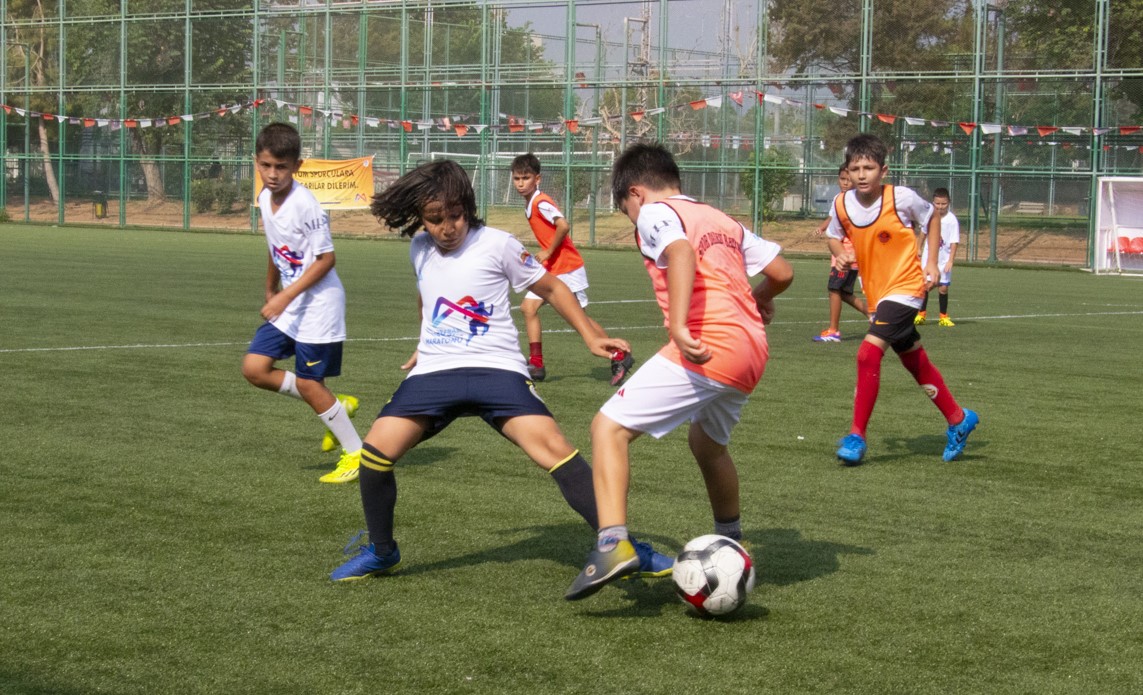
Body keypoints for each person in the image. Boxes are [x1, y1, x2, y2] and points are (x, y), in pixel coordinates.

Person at [330, 159, 673, 582]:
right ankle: (383, 552)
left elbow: (550, 286)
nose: (446, 227)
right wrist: (423, 344)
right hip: (435, 372)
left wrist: (589, 336)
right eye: (435, 219)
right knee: (375, 455)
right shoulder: (418, 248)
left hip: (496, 369)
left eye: (454, 216)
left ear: (468, 208)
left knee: (557, 452)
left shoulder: (498, 243)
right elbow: (428, 297)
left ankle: (622, 545)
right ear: (422, 217)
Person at [565, 143, 795, 600]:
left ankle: (612, 544)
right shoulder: (721, 218)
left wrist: (677, 323)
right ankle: (732, 538)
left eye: (626, 210)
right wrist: (763, 295)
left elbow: (681, 251)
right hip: (753, 349)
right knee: (707, 443)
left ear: (635, 193)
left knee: (607, 428)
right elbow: (783, 272)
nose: (634, 221)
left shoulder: (654, 211)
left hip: (711, 345)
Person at [824, 134, 979, 466]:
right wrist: (841, 256)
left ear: (884, 170)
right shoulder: (840, 205)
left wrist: (933, 262)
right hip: (878, 294)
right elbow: (833, 236)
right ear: (847, 172)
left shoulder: (902, 198)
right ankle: (957, 418)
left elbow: (932, 219)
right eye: (855, 168)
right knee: (913, 359)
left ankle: (856, 436)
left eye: (869, 167)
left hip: (908, 288)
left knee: (868, 354)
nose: (862, 174)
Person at [240, 122, 363, 485]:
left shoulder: (306, 205)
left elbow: (326, 259)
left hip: (319, 305)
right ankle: (333, 403)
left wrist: (284, 296)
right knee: (254, 369)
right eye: (266, 165)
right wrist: (270, 286)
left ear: (297, 165)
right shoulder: (264, 198)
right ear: (256, 162)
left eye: (281, 166)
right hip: (289, 302)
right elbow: (275, 247)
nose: (273, 174)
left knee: (311, 383)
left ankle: (357, 454)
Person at [510, 153, 635, 386]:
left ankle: (619, 354)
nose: (520, 183)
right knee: (528, 308)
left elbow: (563, 225)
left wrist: (547, 251)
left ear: (537, 179)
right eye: (516, 178)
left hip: (566, 267)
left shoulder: (541, 202)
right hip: (552, 268)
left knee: (580, 320)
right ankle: (536, 364)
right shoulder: (531, 203)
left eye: (525, 178)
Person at [813, 165, 869, 342]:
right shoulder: (839, 198)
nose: (845, 183)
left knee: (834, 289)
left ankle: (833, 330)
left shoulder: (857, 200)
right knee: (843, 292)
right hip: (840, 253)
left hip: (847, 254)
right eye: (842, 179)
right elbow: (833, 217)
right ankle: (872, 313)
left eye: (848, 179)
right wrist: (822, 228)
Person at [915, 187, 960, 327]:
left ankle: (943, 317)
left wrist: (950, 261)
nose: (940, 207)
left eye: (943, 204)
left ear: (949, 203)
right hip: (929, 259)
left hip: (943, 260)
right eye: (937, 204)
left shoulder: (952, 220)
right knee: (925, 285)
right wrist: (918, 248)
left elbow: (954, 242)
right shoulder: (929, 216)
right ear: (933, 202)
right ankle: (921, 314)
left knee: (943, 288)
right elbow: (922, 234)